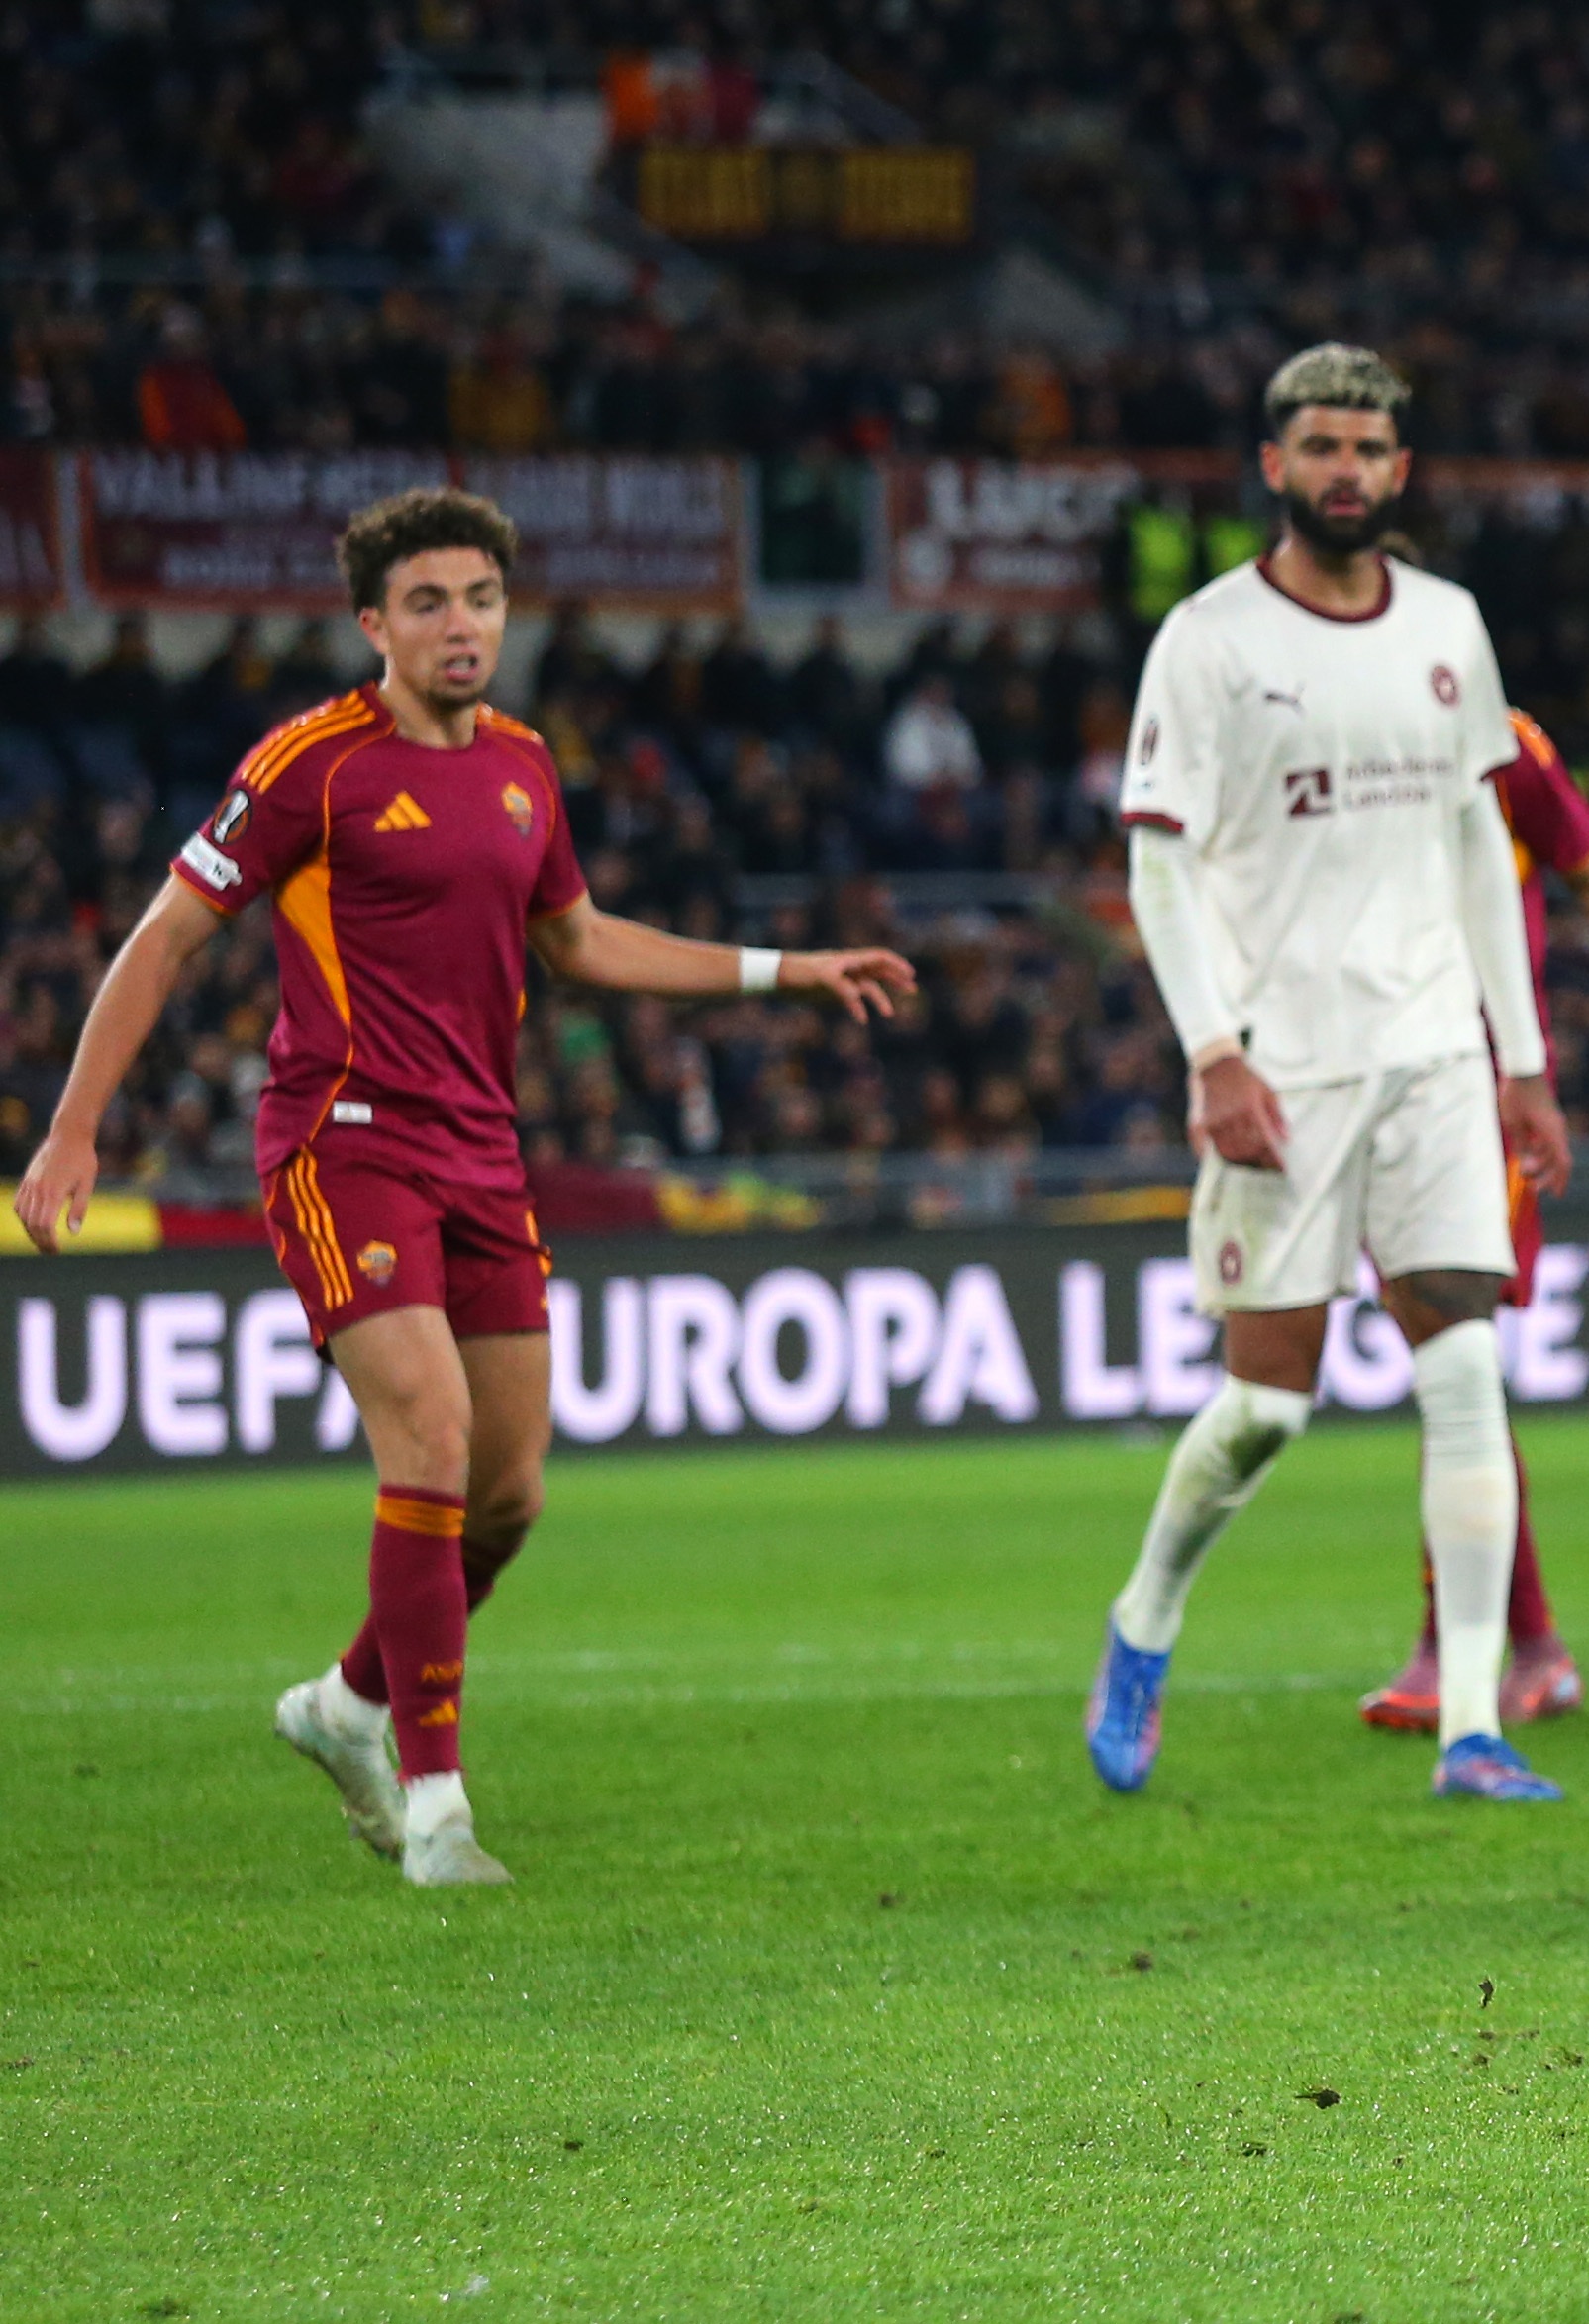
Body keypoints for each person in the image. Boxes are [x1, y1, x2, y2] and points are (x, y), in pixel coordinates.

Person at [8, 487, 914, 1887]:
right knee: (424, 1439)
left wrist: (784, 971)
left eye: (480, 598)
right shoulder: (312, 762)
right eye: (427, 602)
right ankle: (437, 1811)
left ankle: (348, 1705)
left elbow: (583, 939)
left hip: (483, 1152)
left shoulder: (525, 767)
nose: (460, 625)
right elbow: (165, 934)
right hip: (341, 1139)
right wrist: (74, 1130)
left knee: (508, 1497)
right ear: (374, 623)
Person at [1083, 343, 1577, 1805]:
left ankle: (1471, 1727)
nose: (1345, 470)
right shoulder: (1210, 639)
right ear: (1276, 467)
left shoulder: (1449, 626)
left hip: (1434, 1051)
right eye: (1319, 448)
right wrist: (1213, 1050)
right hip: (1281, 1068)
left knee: (1468, 1374)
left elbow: (1480, 846)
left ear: (1401, 471)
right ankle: (1145, 1619)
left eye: (1368, 448)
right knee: (1265, 1413)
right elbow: (1157, 867)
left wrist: (1522, 1059)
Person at [1355, 703, 1589, 1735]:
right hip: (1364, 1083)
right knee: (1447, 1364)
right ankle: (1505, 1642)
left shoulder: (1503, 739)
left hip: (1485, 1093)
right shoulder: (1334, 732)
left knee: (1454, 1357)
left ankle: (1485, 1644)